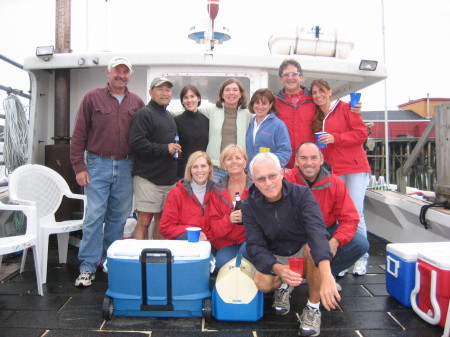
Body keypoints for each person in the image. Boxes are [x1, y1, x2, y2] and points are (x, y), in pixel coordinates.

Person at [242, 152, 340, 337]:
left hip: (302, 250)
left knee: (314, 248)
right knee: (262, 283)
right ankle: (285, 285)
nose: (268, 183)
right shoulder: (249, 206)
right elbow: (255, 245)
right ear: (253, 180)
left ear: (281, 172)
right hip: (276, 253)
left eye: (272, 176)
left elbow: (317, 231)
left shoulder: (301, 194)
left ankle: (312, 307)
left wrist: (327, 274)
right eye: (261, 179)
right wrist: (278, 268)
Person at [70, 56, 145, 287]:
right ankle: (87, 266)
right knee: (94, 216)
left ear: (129, 75)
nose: (121, 75)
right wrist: (78, 167)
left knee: (118, 218)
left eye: (125, 72)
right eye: (117, 71)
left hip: (126, 165)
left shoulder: (137, 102)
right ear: (108, 72)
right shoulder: (92, 98)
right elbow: (79, 135)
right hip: (97, 164)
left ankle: (109, 260)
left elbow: (143, 136)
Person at [310, 79, 371, 276]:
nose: (318, 95)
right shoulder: (319, 115)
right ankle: (345, 258)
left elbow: (361, 134)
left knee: (356, 213)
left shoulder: (346, 108)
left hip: (354, 168)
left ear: (330, 91)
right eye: (314, 92)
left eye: (321, 90)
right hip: (333, 171)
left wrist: (336, 137)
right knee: (338, 215)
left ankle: (361, 257)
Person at [284, 142, 370, 281]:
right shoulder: (286, 181)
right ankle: (292, 277)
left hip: (325, 230)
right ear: (296, 161)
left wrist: (335, 241)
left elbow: (350, 219)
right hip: (296, 232)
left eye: (313, 158)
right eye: (303, 158)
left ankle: (326, 276)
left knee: (361, 244)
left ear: (321, 160)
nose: (309, 163)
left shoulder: (335, 183)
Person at [274, 59, 362, 169]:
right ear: (281, 79)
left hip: (310, 164)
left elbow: (332, 113)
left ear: (301, 76)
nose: (290, 78)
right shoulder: (274, 102)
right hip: (285, 164)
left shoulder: (314, 99)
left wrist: (353, 109)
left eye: (294, 74)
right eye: (286, 75)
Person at [129, 77, 181, 240]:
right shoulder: (144, 114)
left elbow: (169, 143)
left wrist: (175, 150)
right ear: (151, 92)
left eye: (168, 90)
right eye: (160, 89)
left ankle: (158, 259)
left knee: (163, 222)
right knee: (144, 221)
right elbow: (136, 143)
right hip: (148, 178)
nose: (165, 93)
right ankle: (140, 260)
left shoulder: (168, 115)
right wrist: (165, 148)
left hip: (168, 180)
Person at [200, 78, 253, 182]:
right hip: (216, 169)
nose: (231, 93)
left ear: (241, 94)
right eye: (227, 90)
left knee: (237, 197)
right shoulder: (212, 110)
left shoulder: (248, 114)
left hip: (239, 168)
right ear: (222, 94)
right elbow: (189, 112)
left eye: (235, 90)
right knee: (215, 197)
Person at [208, 144, 251, 270]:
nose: (234, 162)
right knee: (222, 263)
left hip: (250, 240)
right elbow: (214, 228)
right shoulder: (216, 190)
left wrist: (247, 217)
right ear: (223, 164)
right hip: (226, 243)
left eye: (238, 158)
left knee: (250, 251)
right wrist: (228, 220)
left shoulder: (256, 186)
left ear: (245, 161)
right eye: (229, 159)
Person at [160, 151, 215, 241]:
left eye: (203, 166)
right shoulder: (176, 193)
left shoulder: (217, 192)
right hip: (185, 241)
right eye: (195, 167)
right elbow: (166, 228)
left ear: (209, 168)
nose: (199, 170)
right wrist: (193, 231)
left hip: (210, 241)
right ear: (190, 170)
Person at [246, 88, 292, 168]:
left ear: (270, 105)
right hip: (250, 172)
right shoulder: (249, 123)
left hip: (268, 172)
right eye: (257, 103)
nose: (260, 107)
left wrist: (271, 167)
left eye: (264, 104)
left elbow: (285, 151)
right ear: (253, 104)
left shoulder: (278, 125)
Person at [174, 85, 209, 179]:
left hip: (202, 172)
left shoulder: (206, 120)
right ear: (182, 101)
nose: (189, 100)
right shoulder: (176, 121)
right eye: (185, 97)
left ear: (198, 98)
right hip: (183, 172)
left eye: (192, 96)